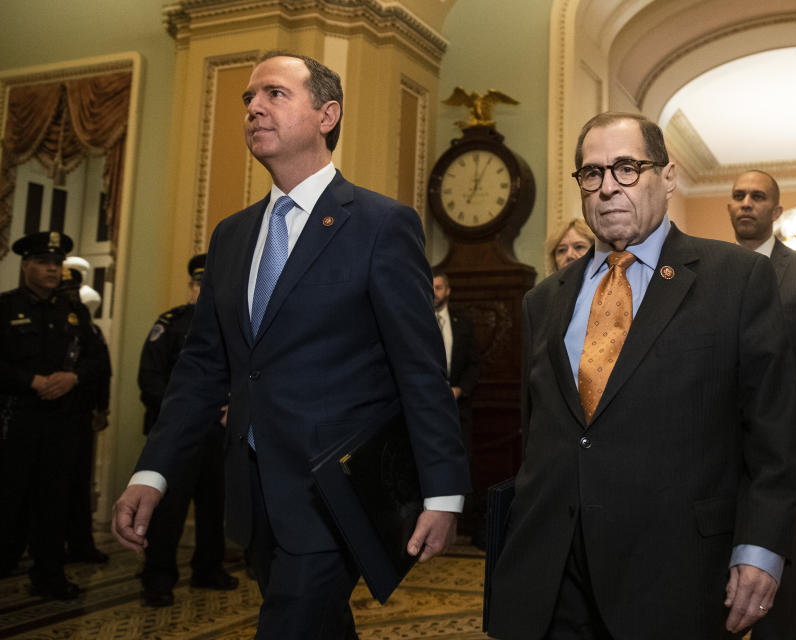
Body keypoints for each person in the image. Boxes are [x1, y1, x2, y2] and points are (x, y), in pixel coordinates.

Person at [112, 51, 470, 638]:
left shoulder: (381, 224)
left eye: (275, 94)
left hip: (335, 492)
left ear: (327, 115)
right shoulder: (232, 236)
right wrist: (152, 474)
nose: (254, 107)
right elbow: (202, 369)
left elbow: (419, 368)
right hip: (252, 492)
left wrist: (445, 491)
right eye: (249, 99)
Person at [487, 112, 796, 638]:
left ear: (668, 177)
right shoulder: (544, 299)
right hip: (550, 575)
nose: (608, 187)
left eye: (627, 168)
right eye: (592, 173)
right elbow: (540, 431)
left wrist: (762, 548)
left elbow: (774, 433)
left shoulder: (737, 279)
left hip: (675, 576)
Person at [727, 170, 796, 639]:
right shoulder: (709, 269)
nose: (746, 203)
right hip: (719, 450)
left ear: (776, 211)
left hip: (787, 453)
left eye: (758, 196)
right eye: (738, 196)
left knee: (782, 569)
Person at [0, 231, 104, 599]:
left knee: (53, 500)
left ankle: (49, 574)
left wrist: (73, 377)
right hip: (17, 419)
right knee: (10, 496)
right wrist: (30, 380)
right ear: (25, 265)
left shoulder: (72, 311)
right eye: (44, 262)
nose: (52, 269)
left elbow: (97, 360)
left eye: (56, 263)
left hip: (62, 421)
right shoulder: (6, 308)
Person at [136, 254, 238, 607]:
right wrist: (188, 414)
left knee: (214, 506)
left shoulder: (234, 323)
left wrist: (234, 407)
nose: (201, 289)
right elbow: (149, 380)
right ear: (191, 286)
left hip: (219, 434)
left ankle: (209, 568)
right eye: (197, 283)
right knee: (168, 510)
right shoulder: (171, 324)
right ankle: (159, 577)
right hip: (180, 437)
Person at [58, 257, 112, 565]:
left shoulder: (88, 329)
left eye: (73, 290)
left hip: (78, 415)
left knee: (78, 482)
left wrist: (101, 408)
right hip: (40, 415)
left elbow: (102, 370)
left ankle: (80, 542)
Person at [432, 270, 482, 542]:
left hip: (458, 410)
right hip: (425, 411)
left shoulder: (463, 323)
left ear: (448, 290)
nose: (434, 293)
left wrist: (459, 390)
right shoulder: (418, 321)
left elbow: (475, 363)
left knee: (463, 465)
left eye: (438, 287)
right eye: (431, 288)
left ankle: (464, 528)